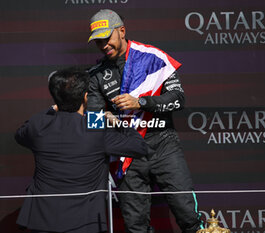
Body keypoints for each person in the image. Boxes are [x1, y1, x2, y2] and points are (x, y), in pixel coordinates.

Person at [87, 9, 204, 233]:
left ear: (121, 31)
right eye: (98, 42)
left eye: (107, 38)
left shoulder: (153, 57)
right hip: (126, 152)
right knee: (135, 226)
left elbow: (178, 99)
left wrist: (140, 102)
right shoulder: (96, 75)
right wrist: (107, 117)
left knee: (188, 215)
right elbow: (92, 121)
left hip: (164, 144)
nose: (103, 45)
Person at [15, 67, 148, 233]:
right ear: (86, 97)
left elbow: (20, 134)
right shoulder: (95, 126)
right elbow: (139, 147)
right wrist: (118, 123)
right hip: (85, 223)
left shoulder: (39, 125)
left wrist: (53, 108)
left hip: (42, 222)